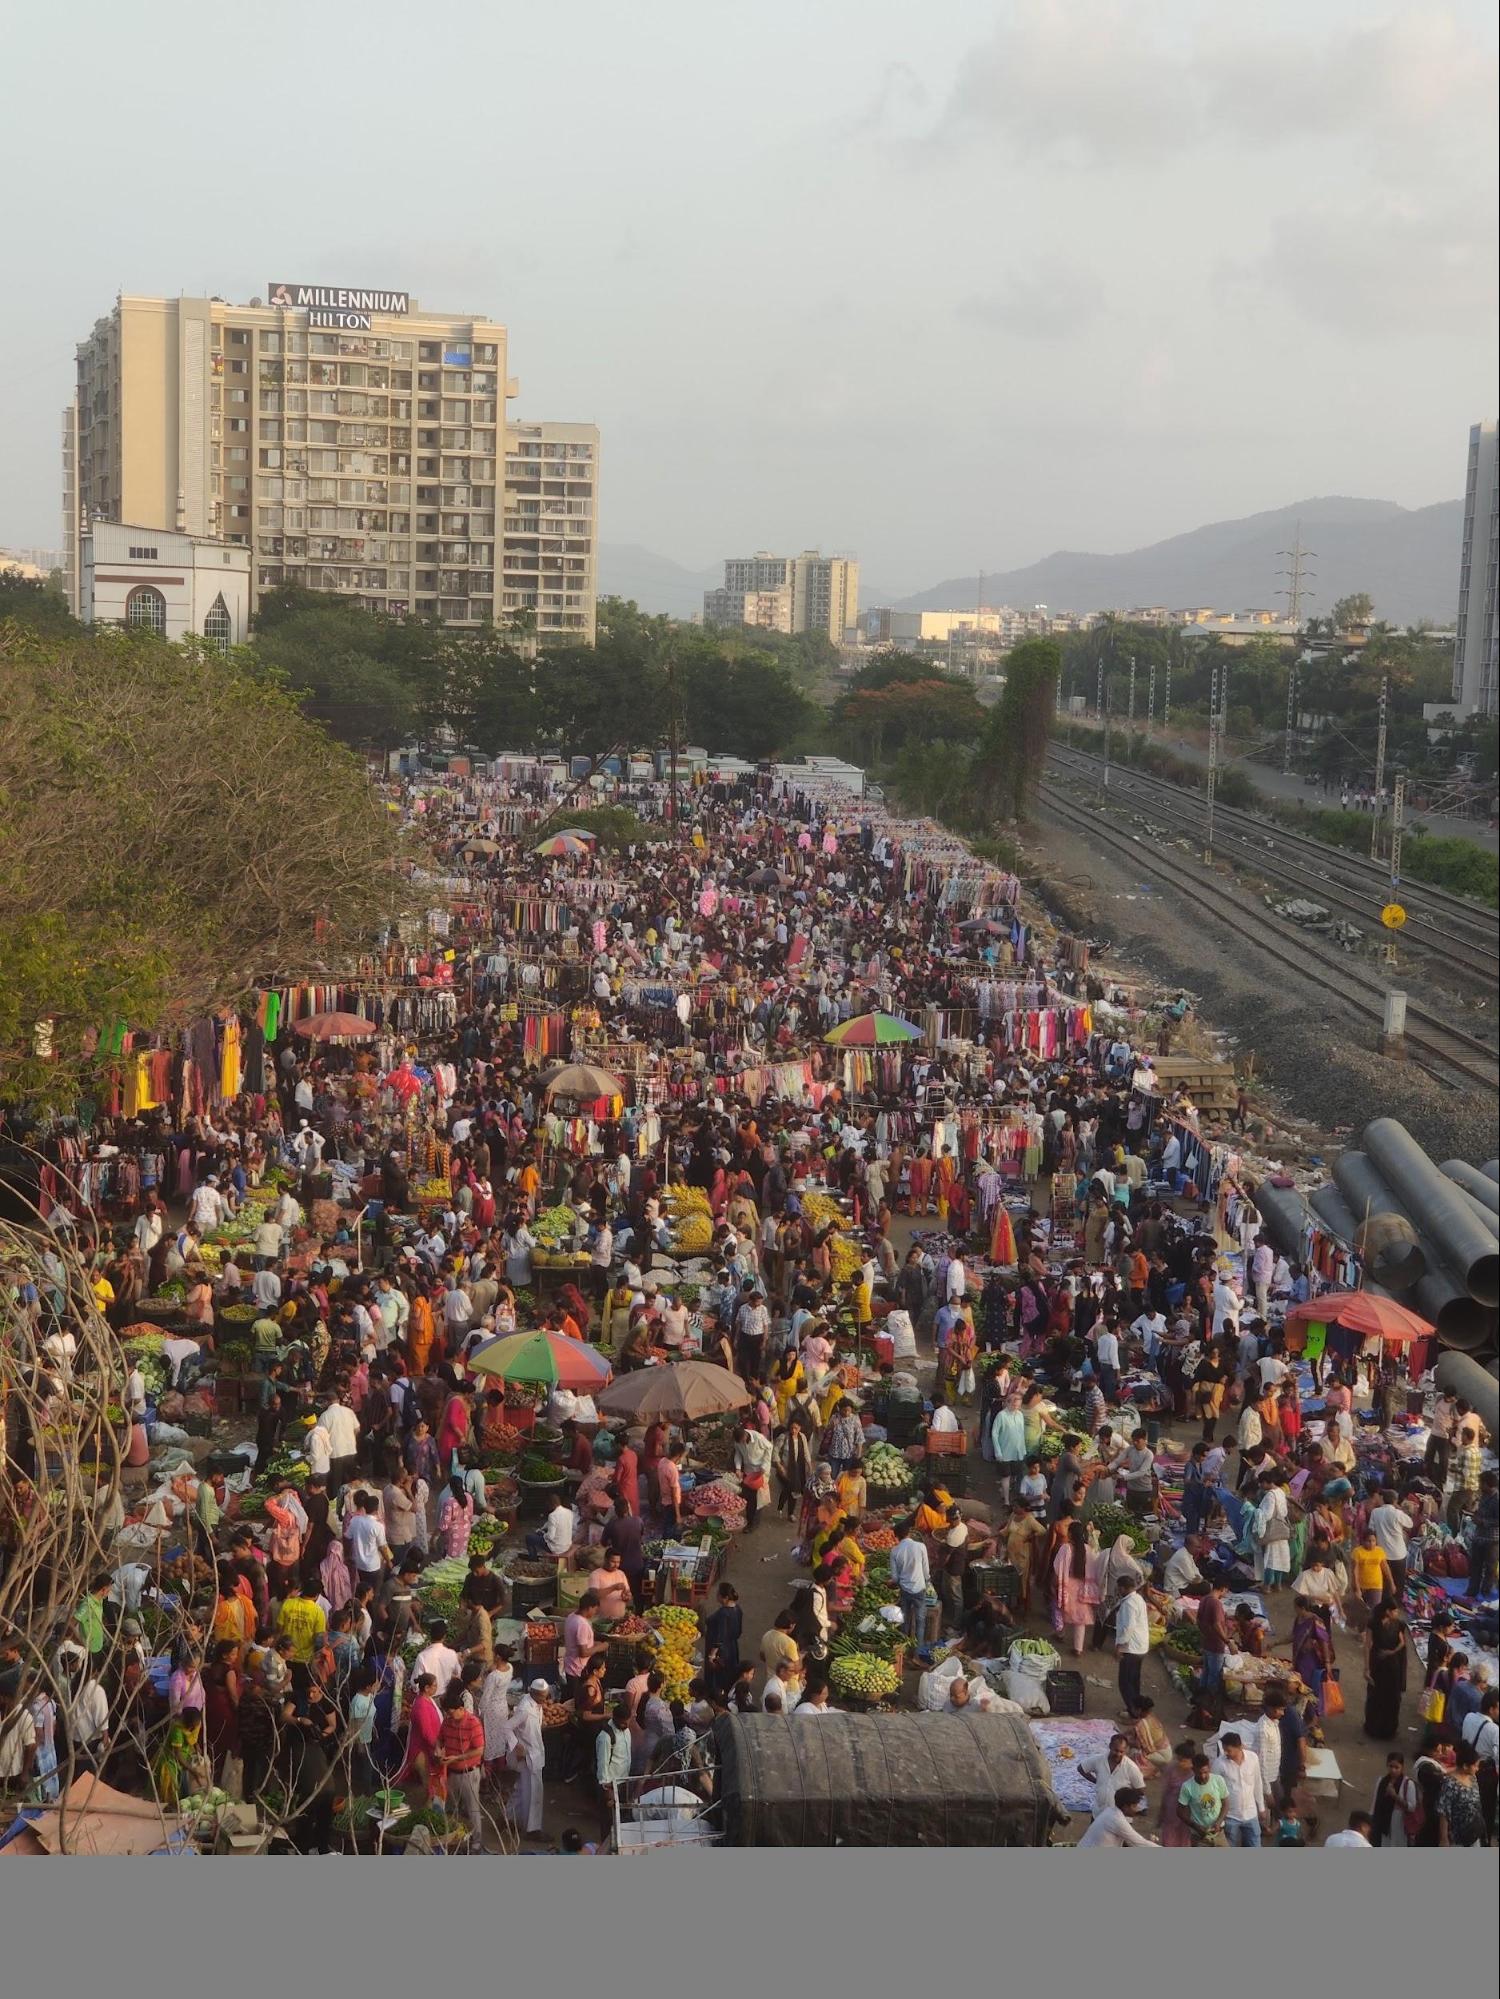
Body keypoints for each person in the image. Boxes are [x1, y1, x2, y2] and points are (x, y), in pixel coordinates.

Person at [1362, 1594, 1408, 1741]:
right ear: (1387, 1611)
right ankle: (1373, 1727)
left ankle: (1389, 1729)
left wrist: (1391, 1652)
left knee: (1392, 1697)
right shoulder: (1373, 1623)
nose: (1396, 1613)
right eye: (1394, 1611)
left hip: (1393, 1664)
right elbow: (1367, 1645)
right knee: (1376, 1696)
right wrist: (1366, 1667)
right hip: (1377, 1664)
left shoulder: (1399, 1624)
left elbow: (1402, 1642)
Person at [1212, 1731, 1269, 1847]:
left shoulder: (1253, 1758)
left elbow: (1257, 1783)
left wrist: (1261, 1807)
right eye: (1224, 1750)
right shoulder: (1219, 1764)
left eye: (1229, 1750)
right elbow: (1214, 1791)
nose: (1226, 1753)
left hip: (1251, 1813)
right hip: (1230, 1816)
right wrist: (1218, 1818)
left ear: (1239, 1747)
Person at [509, 1680, 548, 1838]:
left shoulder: (532, 1703)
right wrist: (516, 1745)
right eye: (543, 1697)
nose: (545, 1701)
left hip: (534, 1753)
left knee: (522, 1788)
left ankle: (509, 1816)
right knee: (534, 1791)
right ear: (534, 1694)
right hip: (528, 1755)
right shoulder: (525, 1709)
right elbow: (506, 1728)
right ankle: (533, 1829)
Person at [1078, 1733, 1147, 1816]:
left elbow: (1141, 1790)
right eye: (1116, 1750)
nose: (1118, 1754)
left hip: (1119, 1817)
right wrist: (1096, 1781)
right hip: (1098, 1813)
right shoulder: (1098, 1760)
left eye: (1121, 1752)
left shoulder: (1131, 1767)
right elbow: (1081, 1768)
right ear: (1110, 1746)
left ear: (1126, 1751)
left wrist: (1128, 1800)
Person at [1177, 1751, 1229, 1846]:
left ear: (1209, 1768)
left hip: (1219, 1833)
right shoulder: (1187, 1786)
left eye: (1205, 1772)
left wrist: (1219, 1822)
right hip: (1199, 1837)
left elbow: (1226, 1803)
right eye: (1199, 1773)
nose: (1203, 1776)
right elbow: (1180, 1812)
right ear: (1193, 1770)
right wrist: (1195, 1826)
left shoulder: (1218, 1780)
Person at [1076, 1789, 1159, 1846]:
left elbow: (1131, 1840)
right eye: (1134, 1806)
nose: (1137, 1809)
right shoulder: (1117, 1820)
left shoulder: (1111, 1811)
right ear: (1125, 1807)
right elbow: (1139, 1843)